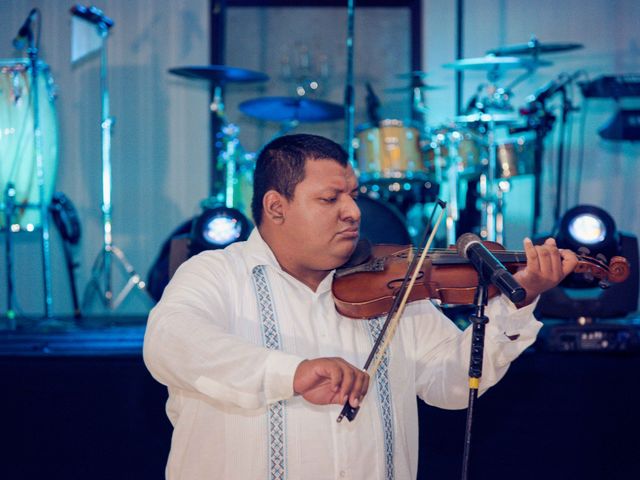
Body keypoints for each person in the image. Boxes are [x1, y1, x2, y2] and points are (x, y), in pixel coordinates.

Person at [143, 134, 577, 480]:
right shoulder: (216, 273)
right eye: (330, 199)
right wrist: (290, 373)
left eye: (353, 195)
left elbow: (452, 385)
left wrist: (519, 303)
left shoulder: (395, 288)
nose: (353, 211)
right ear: (276, 207)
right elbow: (170, 343)